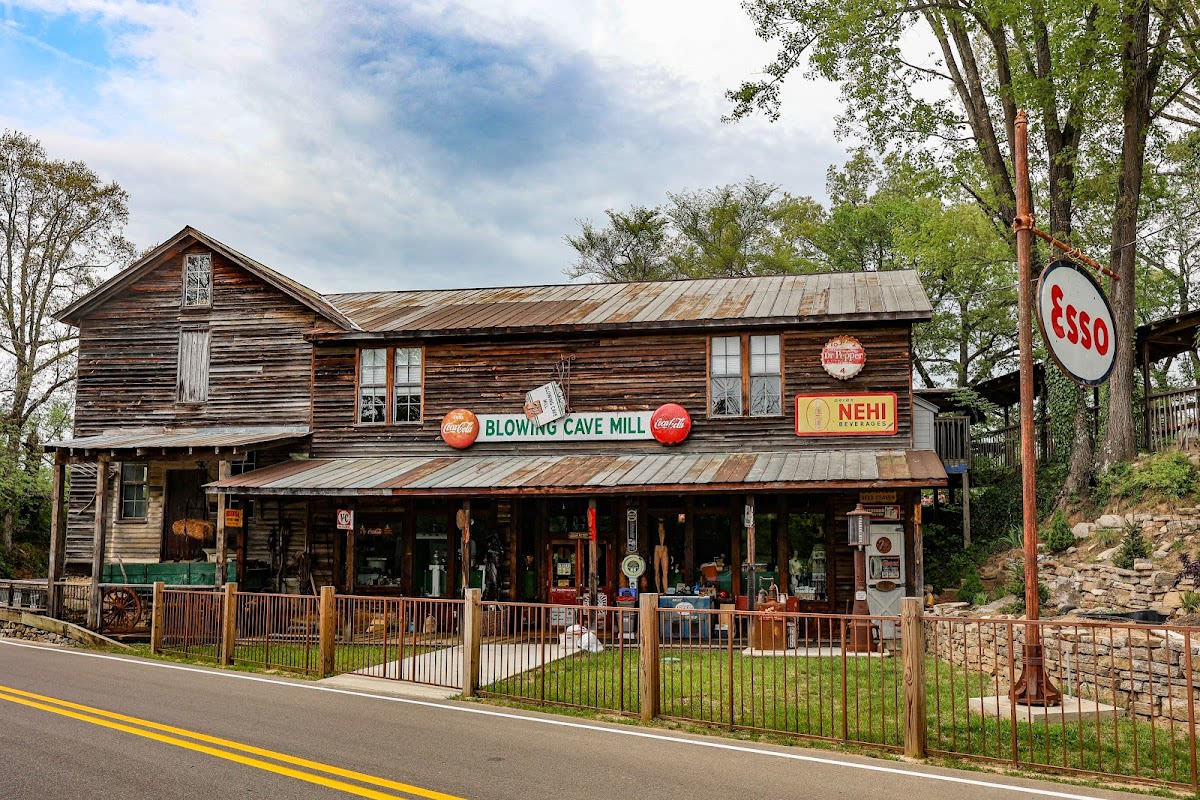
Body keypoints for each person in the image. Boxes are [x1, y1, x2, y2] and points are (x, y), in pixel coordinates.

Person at [654, 521, 669, 593]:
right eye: (660, 523)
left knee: (665, 572)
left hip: (664, 549)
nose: (661, 524)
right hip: (656, 549)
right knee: (656, 571)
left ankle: (665, 591)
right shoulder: (654, 532)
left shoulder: (667, 532)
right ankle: (658, 591)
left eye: (662, 523)